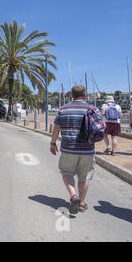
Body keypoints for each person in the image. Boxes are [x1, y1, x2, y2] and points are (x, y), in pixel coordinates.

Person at [50, 85, 101, 214]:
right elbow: (100, 128)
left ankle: (74, 196)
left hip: (68, 148)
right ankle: (81, 203)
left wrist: (53, 143)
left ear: (71, 95)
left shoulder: (63, 109)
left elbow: (56, 128)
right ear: (84, 95)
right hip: (88, 149)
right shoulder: (93, 109)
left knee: (67, 173)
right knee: (84, 177)